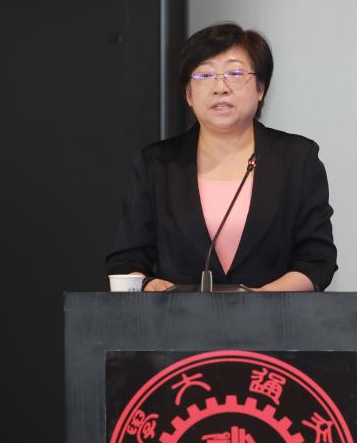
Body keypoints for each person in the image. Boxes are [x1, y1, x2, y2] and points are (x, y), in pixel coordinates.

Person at [106, 22, 337, 292]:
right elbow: (126, 261)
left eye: (235, 73)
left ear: (260, 88)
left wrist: (261, 300)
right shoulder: (156, 165)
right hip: (178, 318)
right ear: (188, 94)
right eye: (205, 75)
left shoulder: (297, 159)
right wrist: (149, 285)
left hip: (274, 318)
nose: (220, 87)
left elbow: (317, 261)